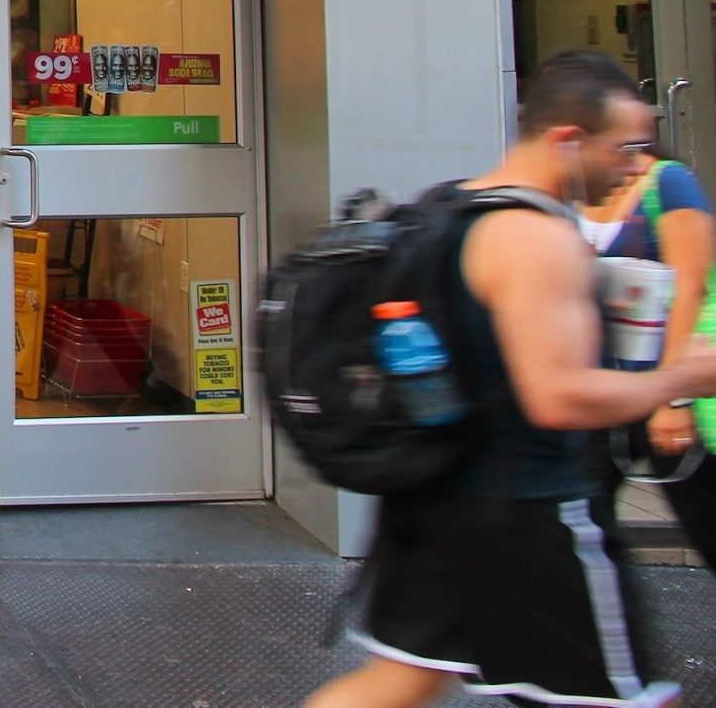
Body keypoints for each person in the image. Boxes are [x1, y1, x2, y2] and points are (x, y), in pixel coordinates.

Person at [307, 51, 716, 708]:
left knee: (395, 683)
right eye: (626, 147)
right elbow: (558, 397)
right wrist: (681, 376)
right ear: (567, 140)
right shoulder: (535, 239)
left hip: (434, 502)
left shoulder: (451, 208)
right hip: (532, 515)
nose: (638, 165)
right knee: (629, 700)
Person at [579, 123, 716, 568]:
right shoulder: (574, 190)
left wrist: (674, 397)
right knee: (587, 523)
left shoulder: (667, 181)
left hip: (672, 390)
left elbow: (691, 287)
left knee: (705, 517)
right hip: (606, 393)